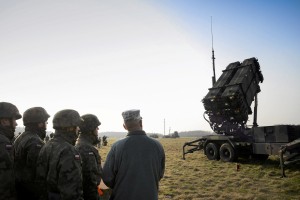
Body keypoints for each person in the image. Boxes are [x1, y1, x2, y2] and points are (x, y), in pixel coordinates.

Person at [102, 109, 165, 200]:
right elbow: (160, 174)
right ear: (141, 122)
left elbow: (107, 178)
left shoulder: (117, 146)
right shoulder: (157, 145)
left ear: (124, 126)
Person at [35, 109, 84, 200]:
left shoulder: (47, 146)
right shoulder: (68, 150)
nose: (79, 129)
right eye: (77, 126)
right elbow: (71, 192)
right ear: (70, 127)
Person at [14, 107, 50, 200]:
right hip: (31, 193)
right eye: (45, 122)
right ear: (40, 124)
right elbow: (38, 173)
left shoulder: (21, 137)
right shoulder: (35, 141)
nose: (46, 125)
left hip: (20, 189)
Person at [75, 114, 103, 200]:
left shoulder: (80, 144)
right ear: (90, 130)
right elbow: (90, 181)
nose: (98, 130)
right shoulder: (87, 149)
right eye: (96, 127)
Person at [0, 102, 22, 200]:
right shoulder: (3, 142)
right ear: (4, 121)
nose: (16, 123)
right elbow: (5, 180)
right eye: (14, 119)